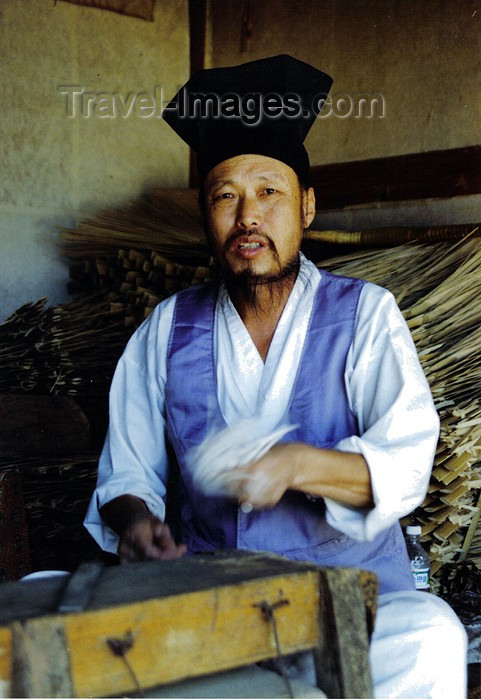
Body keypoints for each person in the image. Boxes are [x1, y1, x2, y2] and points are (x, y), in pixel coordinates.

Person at [85, 55, 467, 697]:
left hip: (350, 598)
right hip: (215, 604)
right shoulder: (166, 329)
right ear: (207, 217)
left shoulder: (364, 315)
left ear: (307, 206)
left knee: (430, 638)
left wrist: (294, 464)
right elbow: (126, 475)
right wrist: (136, 525)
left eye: (269, 192)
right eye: (225, 197)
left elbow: (405, 465)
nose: (248, 217)